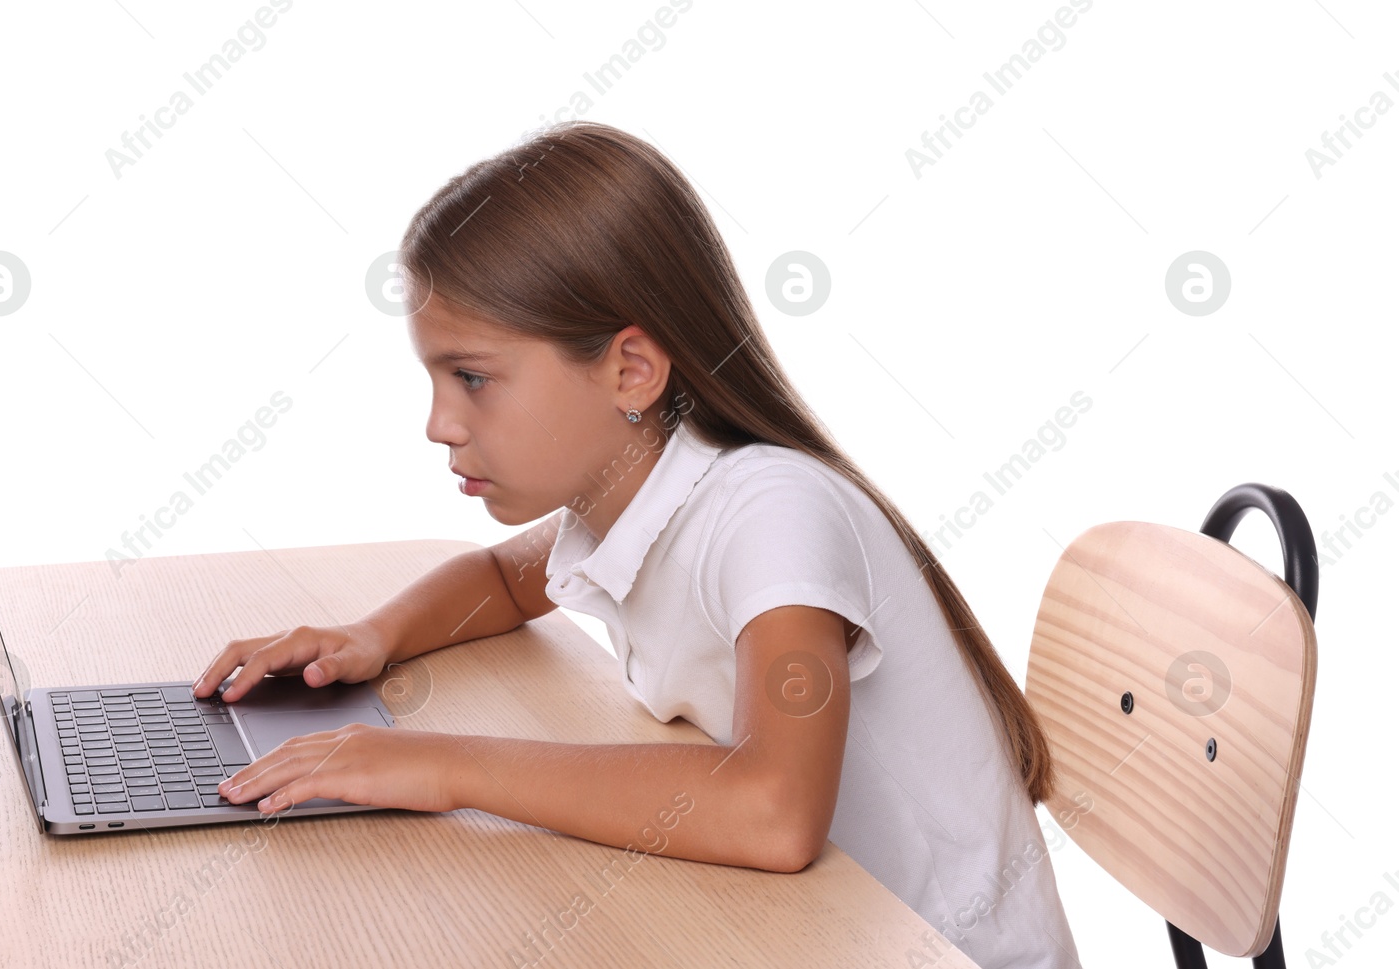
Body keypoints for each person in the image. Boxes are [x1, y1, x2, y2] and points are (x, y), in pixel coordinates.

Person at [192, 120, 1080, 967]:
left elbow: (775, 811)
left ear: (630, 371)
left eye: (472, 378)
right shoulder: (629, 490)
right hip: (810, 932)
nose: (437, 424)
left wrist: (444, 761)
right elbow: (502, 582)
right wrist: (370, 637)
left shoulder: (769, 515)